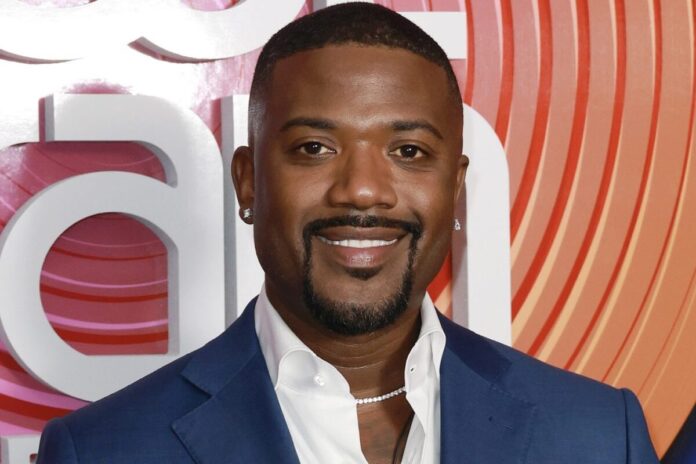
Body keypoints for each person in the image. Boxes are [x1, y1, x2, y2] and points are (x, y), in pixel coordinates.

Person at [37, 3, 659, 463]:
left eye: (409, 151)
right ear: (248, 183)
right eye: (315, 147)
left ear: (455, 186)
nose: (362, 190)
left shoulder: (601, 435)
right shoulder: (104, 450)